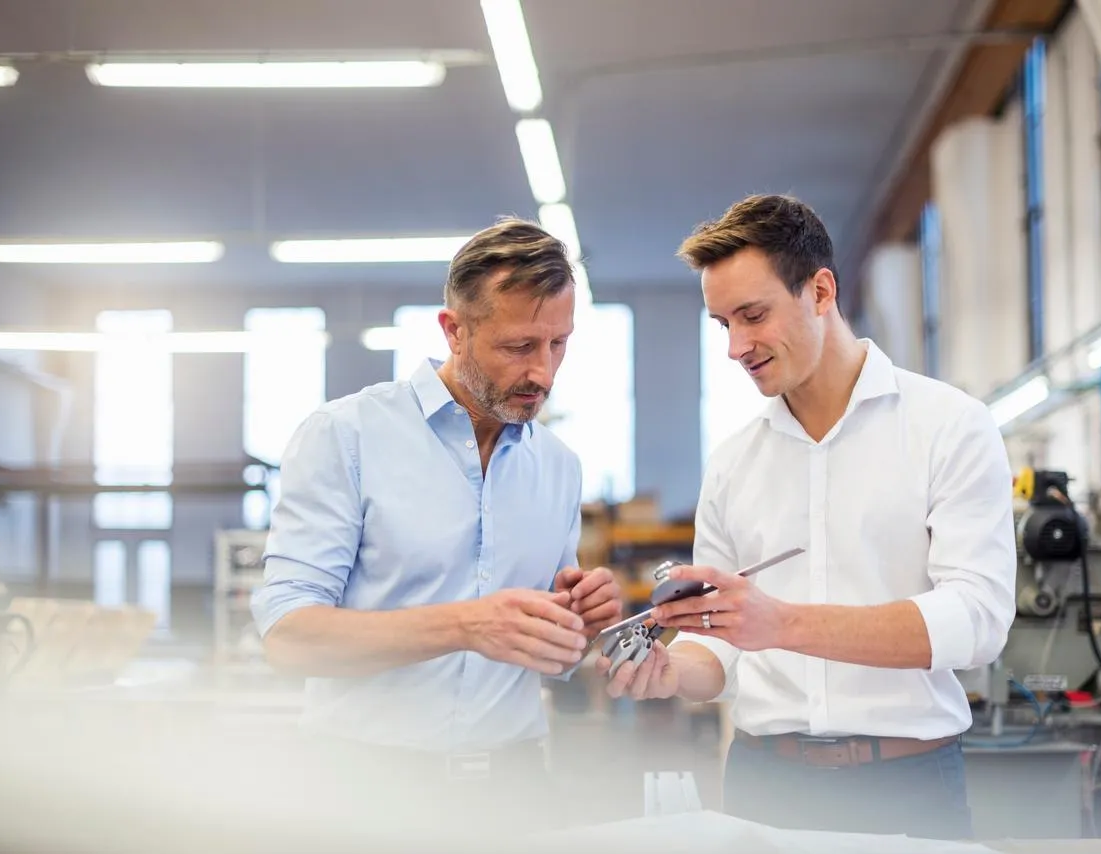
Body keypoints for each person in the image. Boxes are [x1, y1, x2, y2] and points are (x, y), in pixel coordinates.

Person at [597, 194, 1016, 839]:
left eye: (753, 315)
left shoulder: (950, 427)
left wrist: (783, 623)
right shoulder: (735, 463)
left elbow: (978, 622)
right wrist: (671, 671)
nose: (737, 345)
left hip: (909, 787)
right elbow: (718, 645)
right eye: (722, 324)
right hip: (766, 787)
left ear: (821, 290)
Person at [251, 218, 622, 809]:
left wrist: (581, 625)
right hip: (363, 789)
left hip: (515, 789)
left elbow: (552, 660)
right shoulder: (346, 437)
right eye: (519, 346)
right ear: (454, 331)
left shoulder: (558, 466)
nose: (543, 373)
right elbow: (289, 639)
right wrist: (466, 625)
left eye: (559, 344)